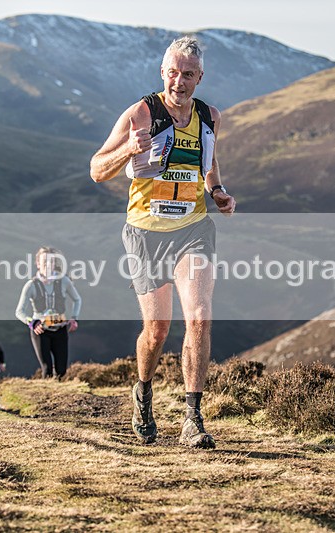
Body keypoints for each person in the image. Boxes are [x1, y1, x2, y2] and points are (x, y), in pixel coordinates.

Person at [90, 36, 235, 448]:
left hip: (193, 229)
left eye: (188, 74)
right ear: (162, 73)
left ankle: (192, 418)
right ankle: (143, 392)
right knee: (156, 331)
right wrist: (127, 149)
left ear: (200, 77)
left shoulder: (209, 116)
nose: (179, 81)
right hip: (146, 233)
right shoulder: (141, 113)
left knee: (200, 317)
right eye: (172, 73)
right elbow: (97, 169)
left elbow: (209, 160)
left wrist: (217, 190)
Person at [15, 246, 81, 379]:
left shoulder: (64, 281)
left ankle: (60, 391)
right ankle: (48, 391)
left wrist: (74, 318)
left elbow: (77, 299)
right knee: (47, 368)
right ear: (38, 263)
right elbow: (19, 311)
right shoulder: (31, 285)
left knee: (62, 370)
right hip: (41, 332)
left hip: (60, 329)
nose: (48, 264)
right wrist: (32, 323)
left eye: (51, 261)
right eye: (44, 261)